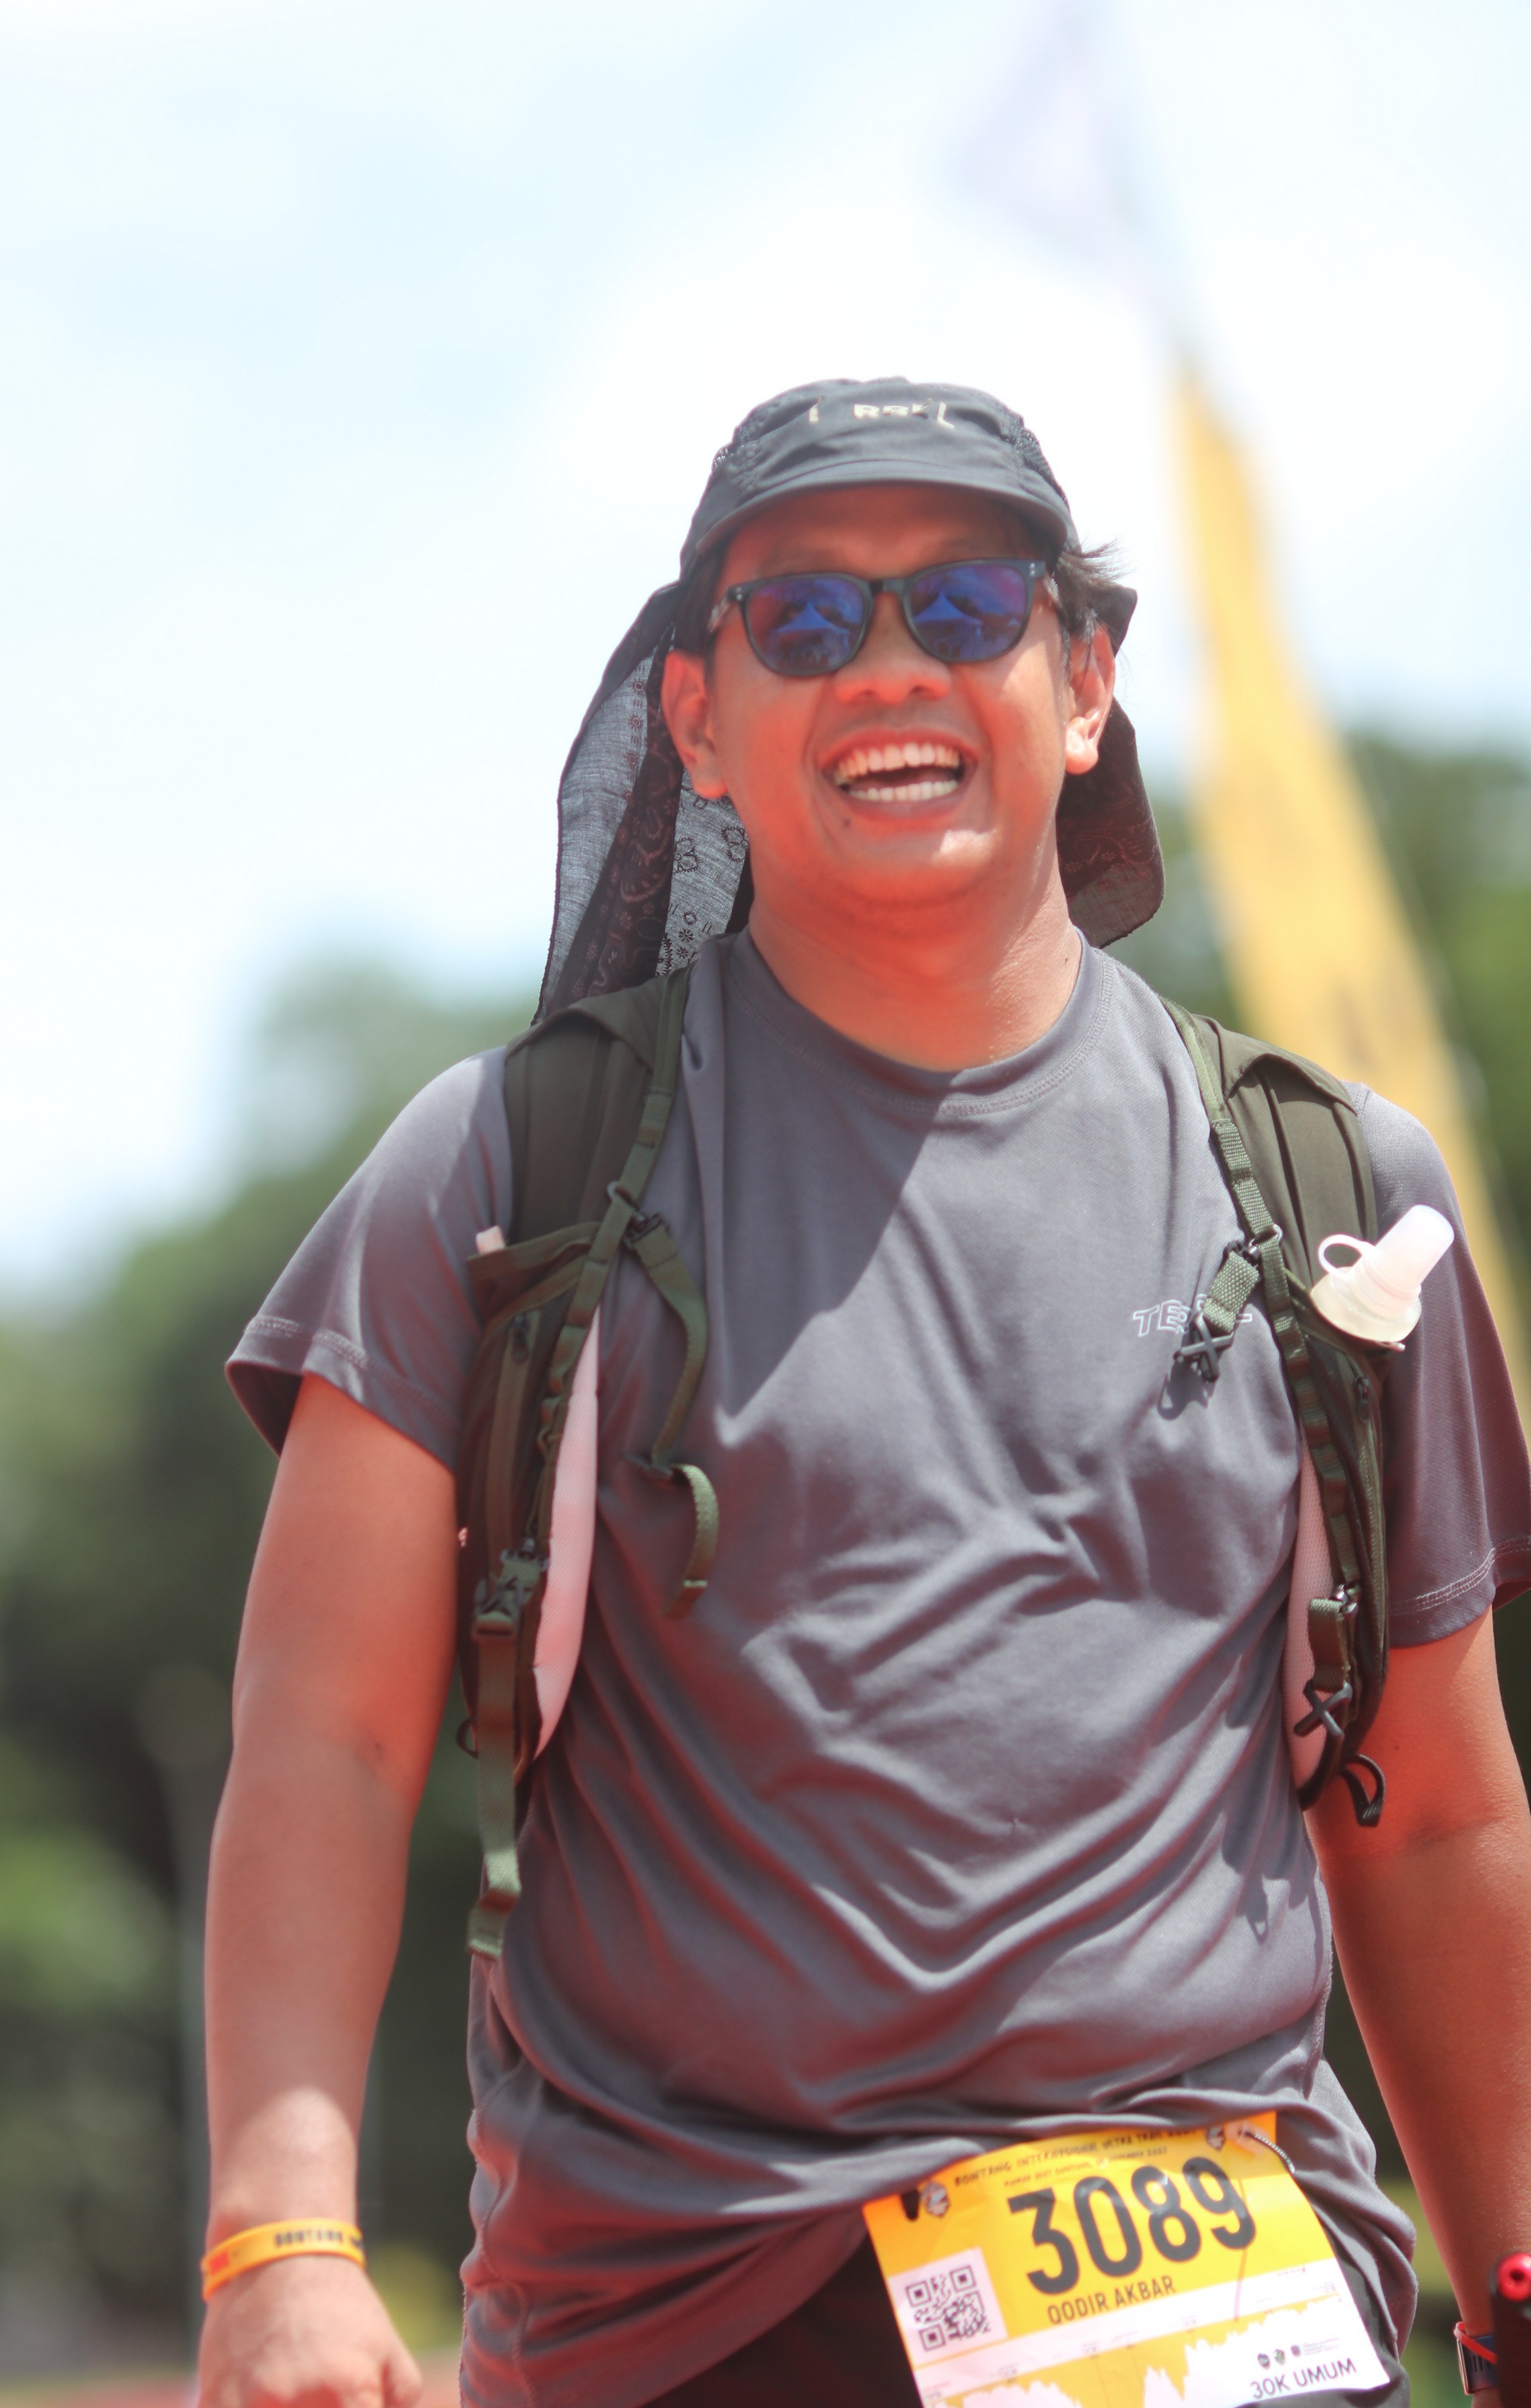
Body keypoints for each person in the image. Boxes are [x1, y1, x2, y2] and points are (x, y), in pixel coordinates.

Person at [201, 379, 1531, 2408]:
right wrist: (281, 2245)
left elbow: (1429, 1811)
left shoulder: (1334, 1189)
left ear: (1085, 683)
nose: (889, 667)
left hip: (1230, 2308)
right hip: (693, 2322)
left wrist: (1514, 2276)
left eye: (968, 605)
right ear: (695, 719)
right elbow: (328, 1740)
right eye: (806, 620)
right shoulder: (502, 1176)